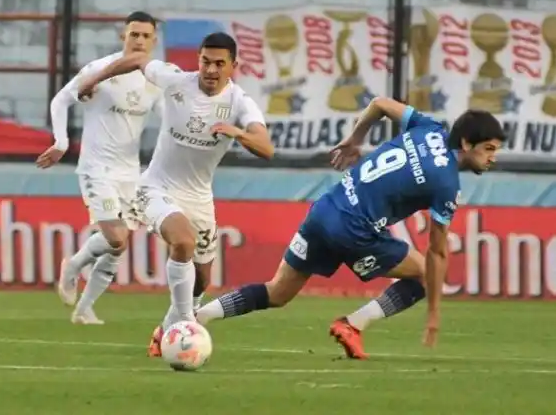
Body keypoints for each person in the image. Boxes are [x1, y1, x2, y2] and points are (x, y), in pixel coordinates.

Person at [195, 99, 506, 358]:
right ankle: (353, 324)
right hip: (354, 229)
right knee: (425, 274)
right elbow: (437, 251)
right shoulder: (447, 183)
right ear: (467, 143)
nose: (493, 157)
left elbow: (380, 104)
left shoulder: (428, 128)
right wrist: (434, 315)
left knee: (277, 292)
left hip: (325, 210)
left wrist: (355, 139)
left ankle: (194, 319)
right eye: (489, 149)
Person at [77, 32, 275, 356]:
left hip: (198, 197)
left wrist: (238, 132)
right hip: (156, 187)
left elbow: (266, 148)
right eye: (205, 62)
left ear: (233, 66)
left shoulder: (240, 103)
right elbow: (138, 61)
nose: (210, 70)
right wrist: (93, 79)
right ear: (198, 59)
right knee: (182, 241)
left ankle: (165, 329)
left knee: (201, 281)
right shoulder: (175, 81)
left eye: (219, 64)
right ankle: (185, 325)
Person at [37, 11, 162, 324]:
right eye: (134, 34)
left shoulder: (157, 80)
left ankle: (84, 310)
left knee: (118, 248)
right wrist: (62, 142)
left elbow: (173, 116)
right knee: (116, 237)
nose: (139, 40)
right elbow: (60, 100)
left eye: (146, 36)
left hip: (129, 173)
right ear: (123, 36)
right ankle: (73, 265)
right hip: (97, 168)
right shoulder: (100, 71)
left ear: (154, 41)